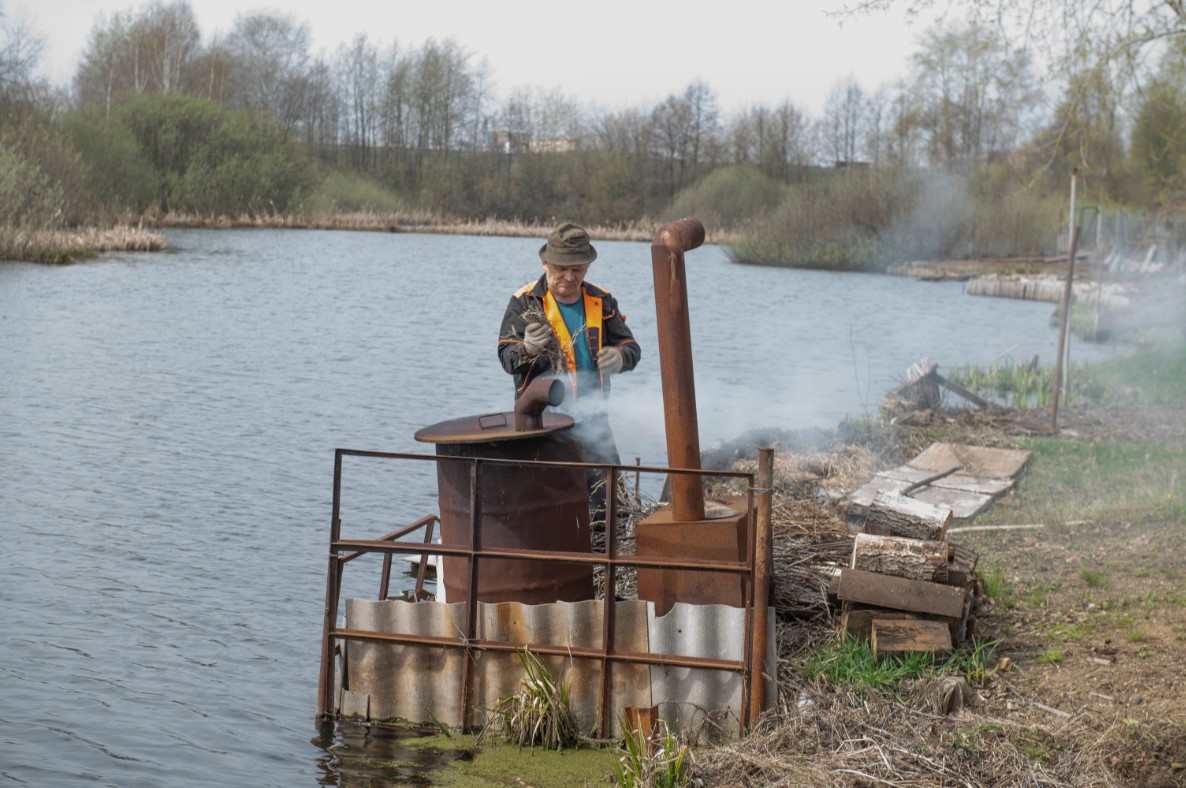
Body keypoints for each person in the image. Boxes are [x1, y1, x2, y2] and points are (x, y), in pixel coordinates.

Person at [497, 223, 641, 526]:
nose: (569, 277)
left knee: (612, 508)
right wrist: (527, 348)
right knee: (548, 509)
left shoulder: (601, 300)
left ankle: (603, 567)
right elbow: (506, 357)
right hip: (542, 425)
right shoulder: (524, 301)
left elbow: (631, 348)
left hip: (594, 421)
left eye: (577, 269)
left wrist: (620, 357)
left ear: (587, 266)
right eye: (561, 268)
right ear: (545, 263)